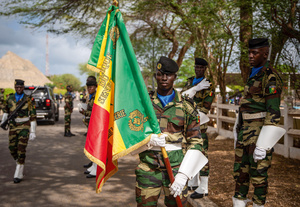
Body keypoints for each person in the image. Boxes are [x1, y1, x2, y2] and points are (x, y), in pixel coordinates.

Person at [135, 56, 207, 207]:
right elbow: (132, 133)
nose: (164, 78)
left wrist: (183, 175)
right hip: (148, 167)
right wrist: (148, 140)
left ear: (175, 77)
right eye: (160, 74)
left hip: (176, 169)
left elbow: (196, 141)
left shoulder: (186, 106)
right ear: (156, 75)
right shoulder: (144, 103)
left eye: (168, 74)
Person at [232, 38, 283, 207]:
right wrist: (237, 128)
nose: (251, 56)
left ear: (265, 54)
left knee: (259, 177)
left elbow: (273, 112)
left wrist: (264, 144)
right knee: (240, 175)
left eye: (255, 53)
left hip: (259, 135)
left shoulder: (270, 77)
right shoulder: (253, 73)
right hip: (244, 132)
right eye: (249, 53)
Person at [181, 58, 215, 199]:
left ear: (205, 69)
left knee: (202, 153)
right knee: (189, 151)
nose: (199, 70)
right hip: (187, 124)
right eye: (197, 67)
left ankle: (204, 187)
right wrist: (194, 89)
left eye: (202, 68)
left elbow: (205, 107)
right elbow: (182, 98)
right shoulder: (189, 82)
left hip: (200, 123)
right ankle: (193, 182)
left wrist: (190, 112)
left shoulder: (208, 85)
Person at [0, 79, 37, 183]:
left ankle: (18, 173)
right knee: (12, 148)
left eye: (21, 87)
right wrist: (3, 122)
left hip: (24, 126)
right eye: (17, 87)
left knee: (21, 149)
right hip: (12, 126)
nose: (19, 89)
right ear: (15, 87)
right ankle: (19, 162)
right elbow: (7, 112)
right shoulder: (10, 98)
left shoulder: (28, 99)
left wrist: (33, 131)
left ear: (23, 87)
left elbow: (33, 116)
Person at [79, 76, 97, 178]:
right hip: (90, 123)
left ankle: (96, 168)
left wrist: (84, 112)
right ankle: (93, 166)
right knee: (92, 145)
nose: (90, 89)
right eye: (88, 87)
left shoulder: (97, 97)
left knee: (95, 146)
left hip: (95, 124)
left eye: (92, 87)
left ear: (95, 87)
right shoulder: (90, 96)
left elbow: (95, 111)